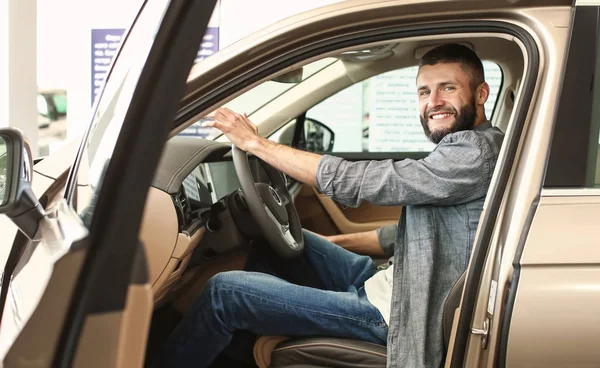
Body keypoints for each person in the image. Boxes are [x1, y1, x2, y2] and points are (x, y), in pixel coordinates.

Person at [153, 43, 505, 368]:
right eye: (424, 91)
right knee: (277, 246)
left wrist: (258, 145)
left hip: (394, 313)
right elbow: (408, 232)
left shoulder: (474, 153)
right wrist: (335, 245)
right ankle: (250, 345)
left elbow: (369, 181)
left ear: (481, 94)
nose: (433, 101)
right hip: (393, 280)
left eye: (448, 88)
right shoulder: (471, 148)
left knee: (225, 293)